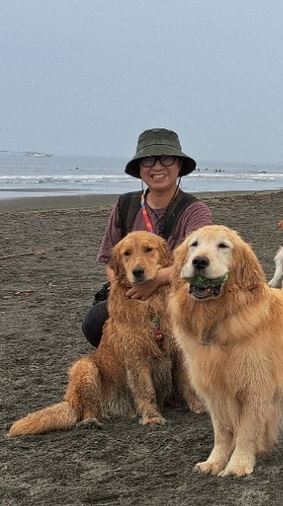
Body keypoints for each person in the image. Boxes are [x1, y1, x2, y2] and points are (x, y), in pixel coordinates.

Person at [82, 128, 213, 347]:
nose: (158, 166)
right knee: (95, 323)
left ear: (179, 165)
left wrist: (156, 281)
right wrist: (126, 289)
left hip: (179, 293)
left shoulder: (195, 211)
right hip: (132, 289)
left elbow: (197, 264)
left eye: (167, 159)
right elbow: (110, 261)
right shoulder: (125, 205)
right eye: (149, 160)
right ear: (140, 168)